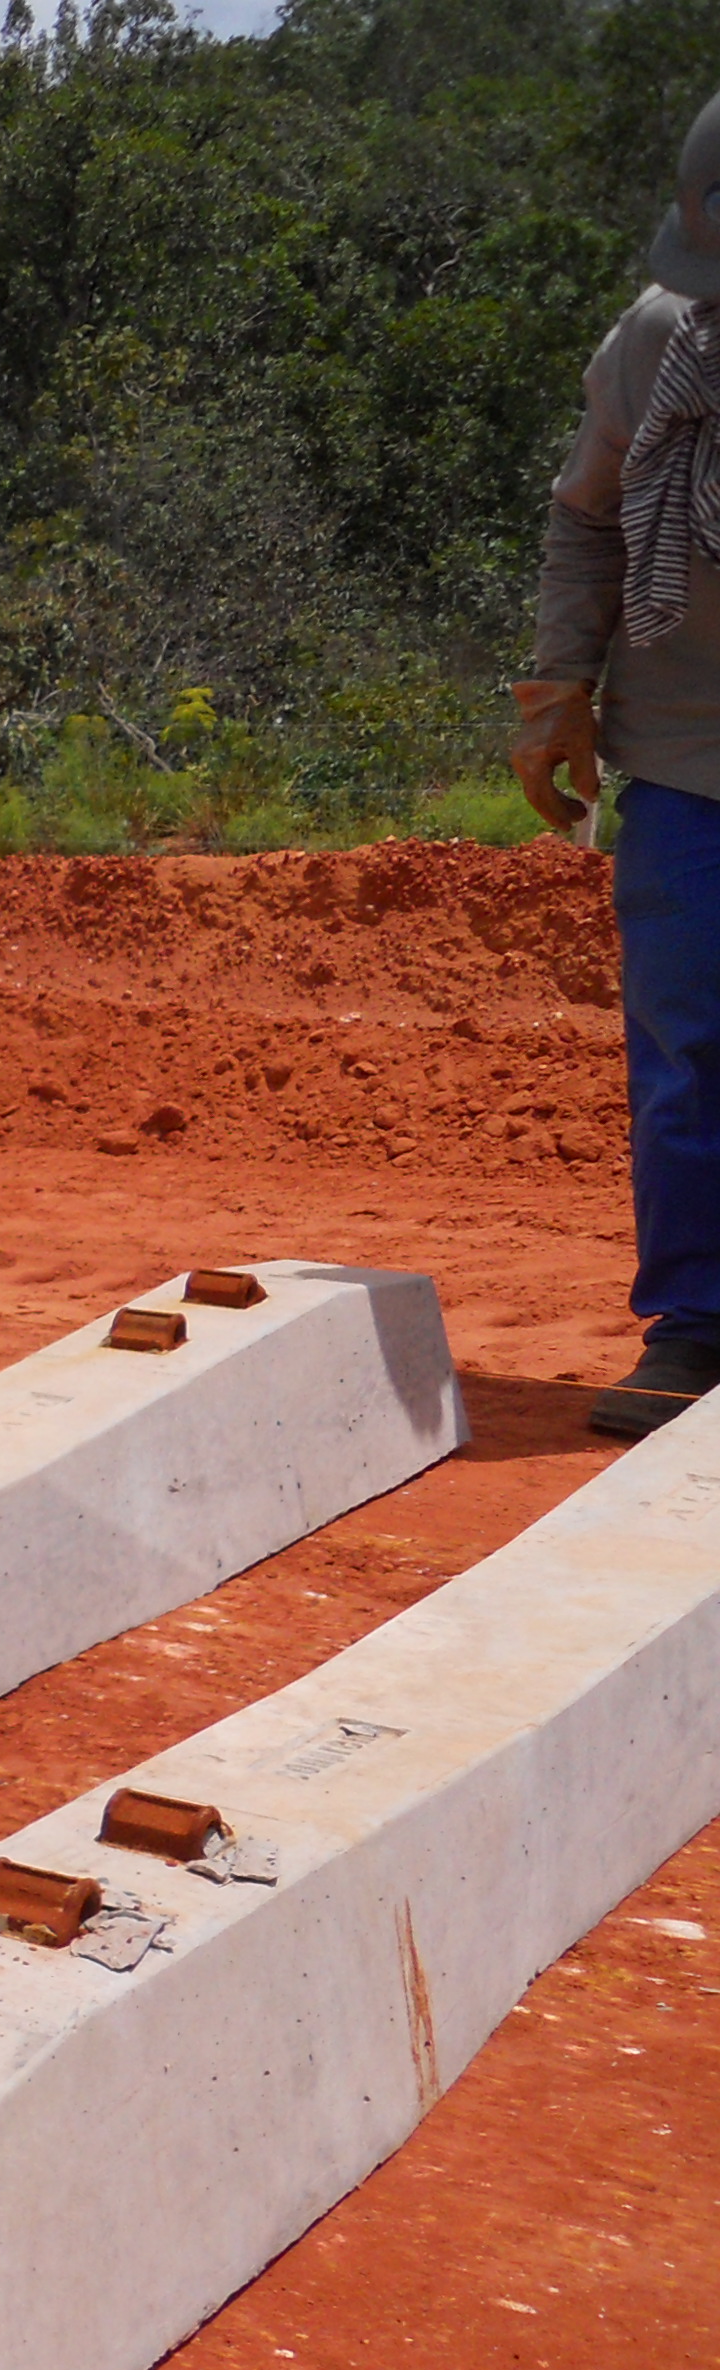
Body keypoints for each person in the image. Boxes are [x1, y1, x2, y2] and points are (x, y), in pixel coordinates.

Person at [521, 84, 720, 1438]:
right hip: (688, 759)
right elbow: (589, 520)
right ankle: (699, 1326)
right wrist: (556, 692)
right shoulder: (658, 345)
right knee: (690, 1050)